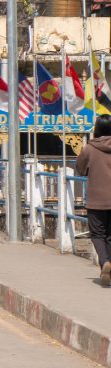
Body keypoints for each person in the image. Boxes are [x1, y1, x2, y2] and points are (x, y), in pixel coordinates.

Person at [75, 114, 111, 285]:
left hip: (97, 199)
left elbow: (80, 170)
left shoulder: (89, 148)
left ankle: (105, 263)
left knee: (98, 234)